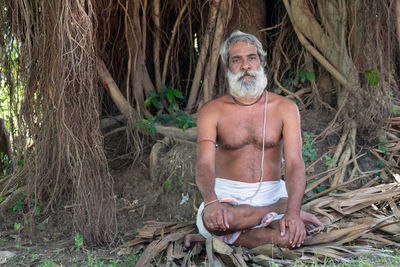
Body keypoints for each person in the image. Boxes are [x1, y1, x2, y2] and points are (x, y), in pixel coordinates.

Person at [184, 30, 323, 250]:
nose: (246, 66)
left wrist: (293, 213)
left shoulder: (285, 108)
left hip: (272, 191)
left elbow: (295, 162)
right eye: (236, 60)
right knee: (219, 221)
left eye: (251, 58)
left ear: (262, 61)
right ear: (227, 67)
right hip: (228, 195)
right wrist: (211, 202)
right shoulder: (212, 111)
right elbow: (204, 163)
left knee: (290, 238)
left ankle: (224, 239)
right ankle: (271, 212)